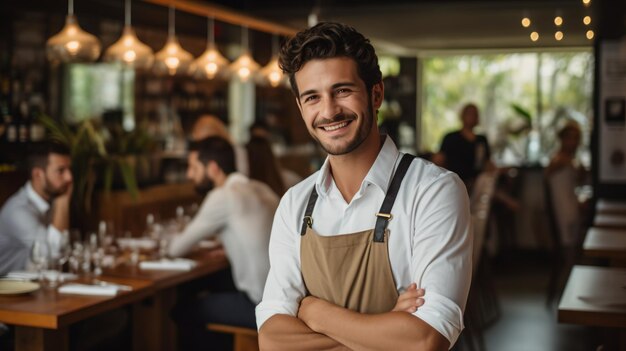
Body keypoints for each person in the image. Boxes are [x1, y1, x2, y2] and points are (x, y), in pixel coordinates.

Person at [256, 22, 472, 350]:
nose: (328, 111)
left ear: (376, 94)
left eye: (342, 90)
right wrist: (386, 328)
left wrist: (312, 310)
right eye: (313, 97)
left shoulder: (433, 191)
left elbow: (425, 340)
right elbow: (272, 340)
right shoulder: (294, 204)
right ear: (301, 108)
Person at [168, 136, 279, 348]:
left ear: (212, 168)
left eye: (193, 167)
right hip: (284, 299)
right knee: (207, 284)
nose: (189, 174)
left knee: (182, 309)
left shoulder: (223, 196)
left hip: (260, 306)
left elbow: (175, 249)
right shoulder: (261, 188)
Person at [0, 141, 72, 275]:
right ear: (38, 174)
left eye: (69, 170)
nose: (69, 177)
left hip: (31, 284)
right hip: (6, 290)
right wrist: (63, 202)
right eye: (61, 171)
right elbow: (52, 255)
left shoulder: (49, 200)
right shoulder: (17, 210)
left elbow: (64, 252)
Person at [545, 120, 587, 247]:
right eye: (569, 138)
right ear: (562, 139)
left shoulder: (572, 161)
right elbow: (548, 174)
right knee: (568, 245)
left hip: (572, 208)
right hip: (563, 211)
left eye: (575, 138)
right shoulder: (558, 159)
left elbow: (579, 181)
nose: (573, 142)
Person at [433, 103, 493, 187]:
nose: (472, 117)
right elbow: (438, 161)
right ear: (462, 116)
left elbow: (488, 164)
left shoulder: (481, 140)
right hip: (453, 182)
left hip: (477, 183)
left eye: (475, 114)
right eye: (469, 113)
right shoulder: (450, 137)